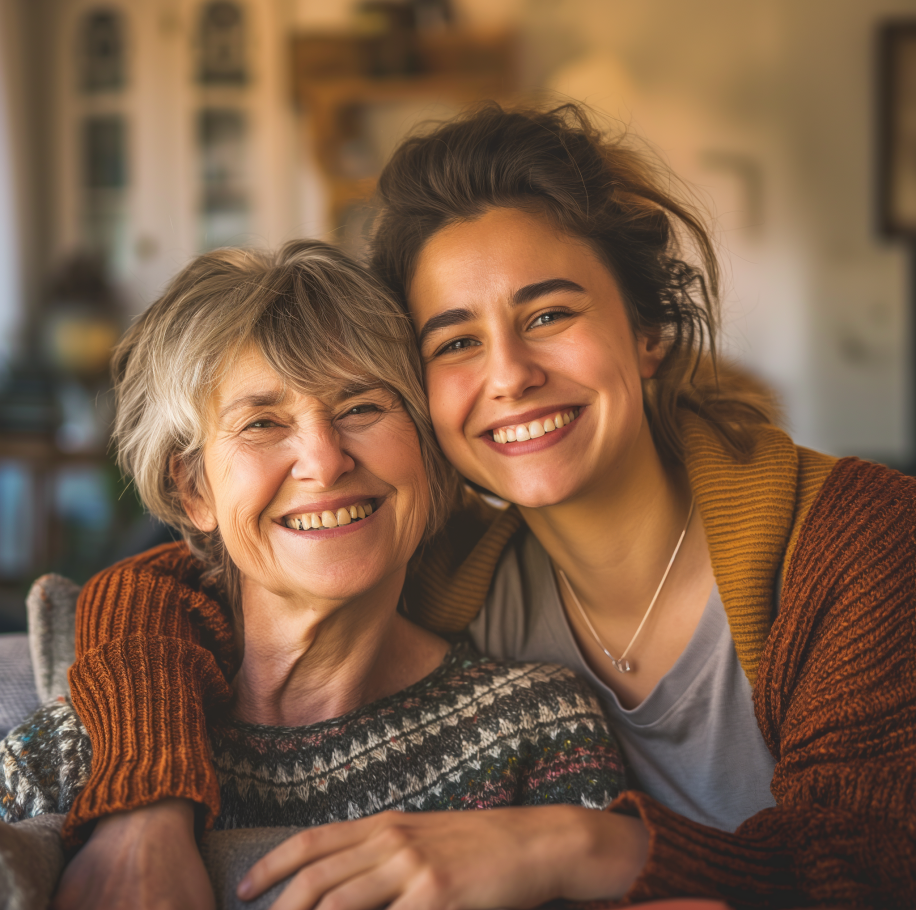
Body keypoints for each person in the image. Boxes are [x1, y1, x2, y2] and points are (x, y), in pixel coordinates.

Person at [54, 105, 916, 909]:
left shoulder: (855, 539)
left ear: (648, 333)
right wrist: (145, 804)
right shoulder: (457, 559)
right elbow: (180, 588)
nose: (508, 374)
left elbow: (878, 867)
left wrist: (574, 845)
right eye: (457, 340)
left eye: (549, 313)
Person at [0, 240, 627, 906]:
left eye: (361, 408)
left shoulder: (536, 730)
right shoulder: (76, 758)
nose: (324, 463)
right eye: (263, 422)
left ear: (428, 448)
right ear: (194, 492)